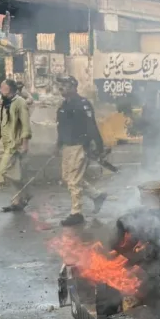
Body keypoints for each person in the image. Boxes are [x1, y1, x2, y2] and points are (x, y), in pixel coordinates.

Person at [55, 75, 108, 227]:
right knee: (67, 178)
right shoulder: (64, 105)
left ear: (73, 87)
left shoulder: (82, 104)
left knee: (73, 180)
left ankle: (76, 213)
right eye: (60, 85)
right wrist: (57, 145)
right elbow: (61, 128)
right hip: (67, 146)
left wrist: (99, 147)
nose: (61, 88)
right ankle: (96, 195)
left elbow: (92, 126)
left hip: (79, 146)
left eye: (64, 85)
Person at [0, 79, 32, 212]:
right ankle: (17, 201)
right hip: (7, 143)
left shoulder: (20, 102)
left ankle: (26, 191)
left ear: (9, 89)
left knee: (4, 169)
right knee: (14, 171)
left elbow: (26, 124)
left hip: (16, 144)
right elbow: (2, 123)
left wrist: (25, 144)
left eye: (2, 87)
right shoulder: (5, 103)